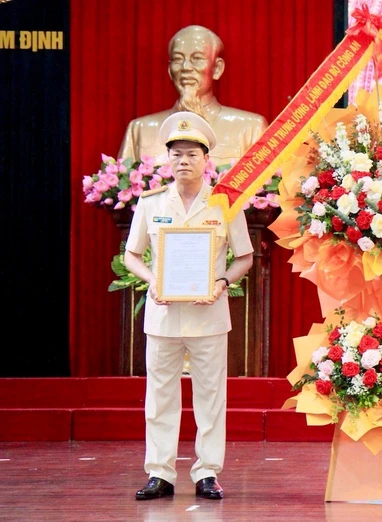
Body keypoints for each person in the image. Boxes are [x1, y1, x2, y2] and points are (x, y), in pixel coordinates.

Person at [125, 111, 254, 500]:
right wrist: (153, 281)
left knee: (211, 397)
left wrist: (221, 282)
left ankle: (207, 472)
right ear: (167, 159)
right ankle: (159, 473)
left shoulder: (226, 204)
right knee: (160, 396)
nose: (184, 161)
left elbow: (244, 257)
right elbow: (132, 255)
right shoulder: (149, 204)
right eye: (177, 154)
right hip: (163, 314)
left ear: (205, 160)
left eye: (192, 154)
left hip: (208, 314)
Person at [119, 25, 267, 166]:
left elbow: (269, 187)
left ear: (217, 68)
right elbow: (119, 187)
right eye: (178, 59)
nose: (186, 67)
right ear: (170, 70)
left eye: (197, 59)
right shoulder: (140, 130)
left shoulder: (250, 128)